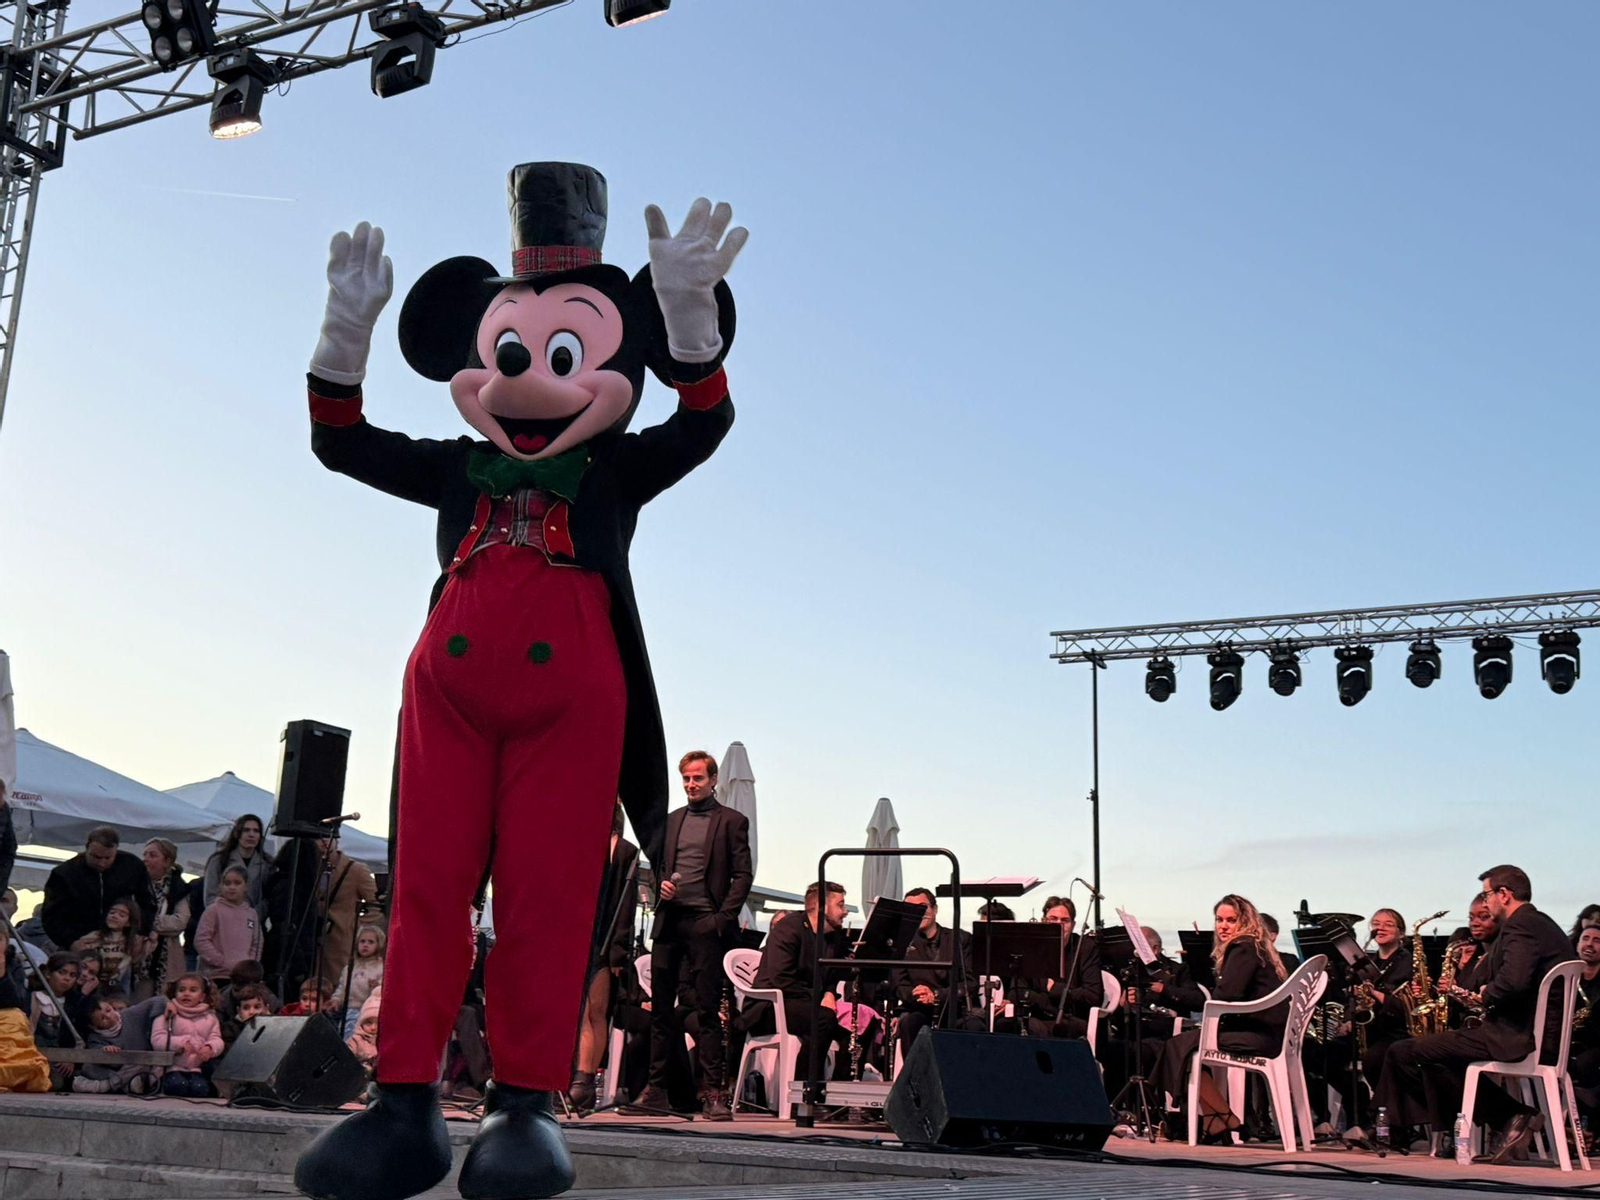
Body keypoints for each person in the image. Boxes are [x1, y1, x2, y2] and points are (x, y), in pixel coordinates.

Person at [1370, 864, 1576, 1160]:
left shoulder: (1522, 925)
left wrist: (1485, 994)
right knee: (1431, 1056)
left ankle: (1511, 1115)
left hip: (1519, 1035)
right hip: (1532, 1032)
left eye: (1487, 894)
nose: (1485, 901)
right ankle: (1505, 1119)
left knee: (1406, 1052)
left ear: (1503, 894)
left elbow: (1513, 982)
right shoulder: (1539, 923)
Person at [635, 751, 753, 1121]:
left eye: (697, 778)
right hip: (670, 922)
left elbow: (743, 875)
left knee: (707, 1011)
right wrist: (661, 888)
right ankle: (657, 1090)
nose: (690, 785)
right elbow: (659, 869)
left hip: (706, 923)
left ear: (713, 780)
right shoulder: (671, 822)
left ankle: (714, 1093)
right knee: (660, 1011)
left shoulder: (732, 821)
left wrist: (721, 919)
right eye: (686, 778)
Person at [1151, 894, 1288, 1142]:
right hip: (1266, 1033)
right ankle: (1220, 1118)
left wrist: (1214, 995)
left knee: (1177, 1045)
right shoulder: (1255, 947)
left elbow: (1228, 995)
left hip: (1259, 1036)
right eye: (1219, 919)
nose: (1223, 926)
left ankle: (1220, 1117)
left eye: (1231, 920)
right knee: (1185, 1047)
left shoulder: (1244, 947)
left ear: (1244, 922)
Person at [734, 881, 853, 1091]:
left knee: (848, 1032)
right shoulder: (788, 928)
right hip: (767, 1008)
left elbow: (832, 975)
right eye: (840, 905)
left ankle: (837, 1098)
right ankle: (802, 1092)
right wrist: (820, 999)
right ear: (823, 906)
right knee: (823, 1019)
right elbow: (782, 979)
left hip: (802, 1005)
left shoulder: (832, 938)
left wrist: (829, 993)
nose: (845, 911)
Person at [569, 802, 638, 1111]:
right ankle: (579, 1082)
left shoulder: (622, 850)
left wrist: (618, 952)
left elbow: (626, 905)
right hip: (578, 936)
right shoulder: (581, 842)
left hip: (602, 942)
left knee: (591, 1012)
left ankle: (584, 1081)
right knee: (582, 1013)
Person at [1332, 908, 1415, 1143]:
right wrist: (1349, 1018)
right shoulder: (1366, 962)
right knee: (1324, 1054)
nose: (1381, 928)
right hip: (1366, 1029)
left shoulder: (1406, 961)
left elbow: (1402, 1006)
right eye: (1376, 923)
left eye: (1388, 924)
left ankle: (1392, 1123)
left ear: (1401, 932)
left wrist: (1373, 993)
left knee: (1374, 1059)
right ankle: (1361, 1108)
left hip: (1394, 1030)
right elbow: (1356, 997)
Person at [41, 828, 155, 951]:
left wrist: (141, 932)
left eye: (108, 858)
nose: (102, 863)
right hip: (81, 941)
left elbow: (148, 903)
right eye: (96, 857)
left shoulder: (132, 865)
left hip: (121, 943)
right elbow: (51, 916)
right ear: (87, 848)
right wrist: (71, 942)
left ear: (116, 850)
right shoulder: (64, 873)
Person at [1007, 896, 1103, 1039]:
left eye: (1065, 921)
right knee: (1005, 1025)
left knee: (1033, 1029)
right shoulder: (1031, 948)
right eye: (1053, 919)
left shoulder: (1085, 948)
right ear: (1043, 921)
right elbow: (1016, 992)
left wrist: (1055, 990)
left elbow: (1093, 996)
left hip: (1071, 1020)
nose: (1059, 924)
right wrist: (1046, 1002)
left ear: (1073, 924)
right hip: (1037, 1016)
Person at [892, 887, 972, 1055]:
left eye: (923, 907)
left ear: (935, 909)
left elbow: (970, 983)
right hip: (919, 1008)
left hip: (954, 1008)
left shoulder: (960, 939)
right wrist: (917, 994)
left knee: (972, 1026)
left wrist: (936, 995)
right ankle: (914, 1079)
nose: (918, 913)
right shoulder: (901, 942)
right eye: (911, 909)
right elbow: (899, 985)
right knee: (909, 1023)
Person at [71, 990, 168, 1094]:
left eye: (108, 1010)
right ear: (93, 1026)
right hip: (112, 1071)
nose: (109, 1016)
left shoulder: (131, 1014)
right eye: (102, 1018)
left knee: (142, 1063)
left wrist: (167, 1007)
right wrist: (104, 1050)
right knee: (88, 1067)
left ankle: (105, 1086)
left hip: (134, 1064)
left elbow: (159, 1000)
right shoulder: (95, 1037)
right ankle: (125, 1086)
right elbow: (95, 1051)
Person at [150, 973, 224, 1097]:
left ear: (202, 996)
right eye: (181, 990)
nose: (186, 993)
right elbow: (157, 1039)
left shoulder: (210, 1017)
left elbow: (216, 1038)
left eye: (193, 990)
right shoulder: (168, 1014)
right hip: (169, 1068)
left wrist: (210, 1048)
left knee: (199, 1089)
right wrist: (180, 1043)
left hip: (196, 1068)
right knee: (178, 1085)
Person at [136, 838, 191, 999]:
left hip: (166, 957)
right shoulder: (135, 884)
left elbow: (180, 921)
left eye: (152, 855)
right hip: (138, 956)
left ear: (167, 861)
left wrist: (147, 923)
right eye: (144, 854)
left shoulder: (178, 888)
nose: (145, 859)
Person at [196, 867, 265, 983]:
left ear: (246, 886)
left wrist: (249, 964)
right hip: (217, 976)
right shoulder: (213, 910)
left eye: (237, 883)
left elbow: (257, 942)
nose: (231, 887)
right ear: (220, 886)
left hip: (245, 977)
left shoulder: (251, 914)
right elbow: (201, 940)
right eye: (227, 883)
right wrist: (221, 962)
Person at [202, 813, 273, 917]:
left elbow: (268, 898)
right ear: (237, 833)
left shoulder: (267, 864)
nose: (251, 834)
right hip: (223, 920)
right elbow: (210, 896)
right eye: (246, 830)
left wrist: (252, 915)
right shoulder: (219, 860)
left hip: (253, 922)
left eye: (256, 831)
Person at [71, 898, 147, 992]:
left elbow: (141, 953)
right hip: (93, 985)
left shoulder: (133, 942)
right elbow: (79, 953)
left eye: (121, 915)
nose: (114, 916)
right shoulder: (95, 936)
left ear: (129, 922)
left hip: (116, 986)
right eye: (112, 913)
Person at [333, 926, 386, 1038]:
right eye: (362, 941)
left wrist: (376, 987)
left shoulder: (381, 967)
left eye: (371, 942)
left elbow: (383, 990)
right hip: (348, 1010)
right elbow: (342, 988)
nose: (365, 945)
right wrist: (336, 1000)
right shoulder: (350, 967)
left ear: (379, 944)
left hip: (368, 1012)